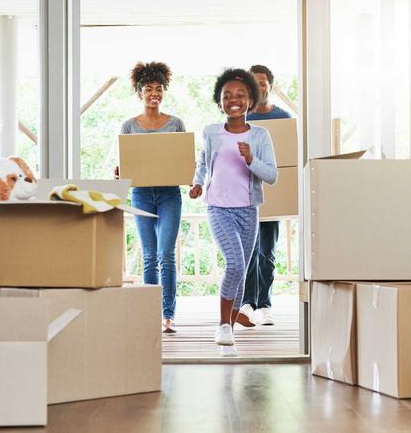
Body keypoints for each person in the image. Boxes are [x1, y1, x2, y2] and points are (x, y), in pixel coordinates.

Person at [189, 68, 278, 356]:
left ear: (251, 99)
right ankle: (223, 325)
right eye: (227, 96)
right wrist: (197, 184)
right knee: (236, 265)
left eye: (240, 95)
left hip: (248, 209)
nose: (234, 100)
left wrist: (251, 159)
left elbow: (272, 175)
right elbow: (202, 163)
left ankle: (235, 313)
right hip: (218, 207)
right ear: (220, 102)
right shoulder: (211, 132)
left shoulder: (261, 136)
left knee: (242, 269)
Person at [118, 62, 185, 334]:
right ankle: (150, 314)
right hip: (142, 195)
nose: (154, 94)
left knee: (165, 255)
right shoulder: (128, 126)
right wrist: (120, 170)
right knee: (148, 256)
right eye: (148, 89)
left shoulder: (176, 123)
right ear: (139, 93)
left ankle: (168, 315)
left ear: (164, 92)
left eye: (158, 89)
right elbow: (126, 165)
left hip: (169, 194)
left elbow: (182, 160)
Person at [239, 64, 293, 326]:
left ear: (270, 85)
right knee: (247, 251)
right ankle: (247, 302)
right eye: (254, 83)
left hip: (274, 191)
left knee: (267, 252)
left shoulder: (283, 117)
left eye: (263, 83)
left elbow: (290, 158)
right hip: (246, 192)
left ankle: (265, 305)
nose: (259, 87)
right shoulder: (242, 119)